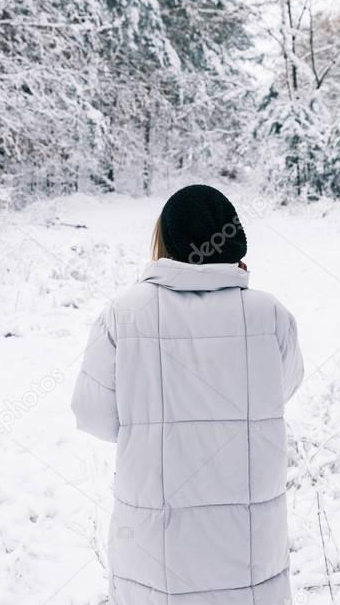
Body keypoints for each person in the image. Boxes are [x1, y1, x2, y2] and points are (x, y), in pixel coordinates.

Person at [71, 184, 304, 604]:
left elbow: (93, 414)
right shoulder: (270, 315)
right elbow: (279, 391)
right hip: (248, 542)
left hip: (157, 539)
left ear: (165, 240)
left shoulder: (124, 313)